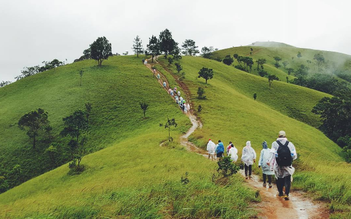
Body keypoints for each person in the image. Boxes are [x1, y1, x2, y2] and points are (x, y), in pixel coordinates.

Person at [269, 131, 297, 201]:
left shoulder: (274, 143)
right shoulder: (290, 144)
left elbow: (272, 154)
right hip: (288, 165)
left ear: (278, 136)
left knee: (279, 179)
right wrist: (290, 160)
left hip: (278, 165)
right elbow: (294, 155)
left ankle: (280, 192)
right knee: (287, 179)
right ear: (285, 136)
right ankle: (287, 194)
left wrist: (270, 163)